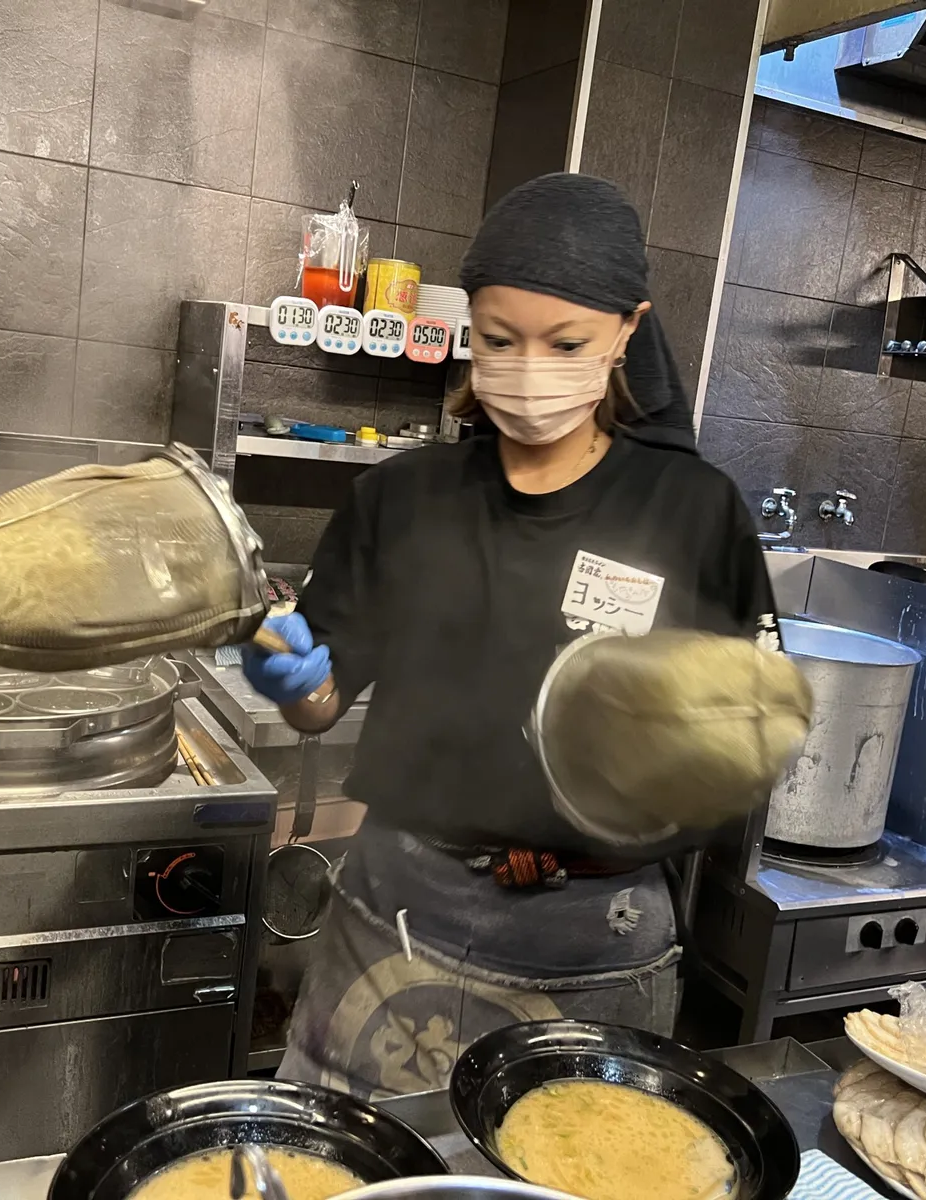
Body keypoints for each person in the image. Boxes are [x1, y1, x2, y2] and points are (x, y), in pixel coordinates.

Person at [242, 173, 778, 1100]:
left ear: (627, 331)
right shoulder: (403, 498)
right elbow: (321, 704)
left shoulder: (693, 511)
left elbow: (747, 738)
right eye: (498, 339)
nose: (530, 368)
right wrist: (293, 677)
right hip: (396, 913)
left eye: (565, 343)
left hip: (596, 935)